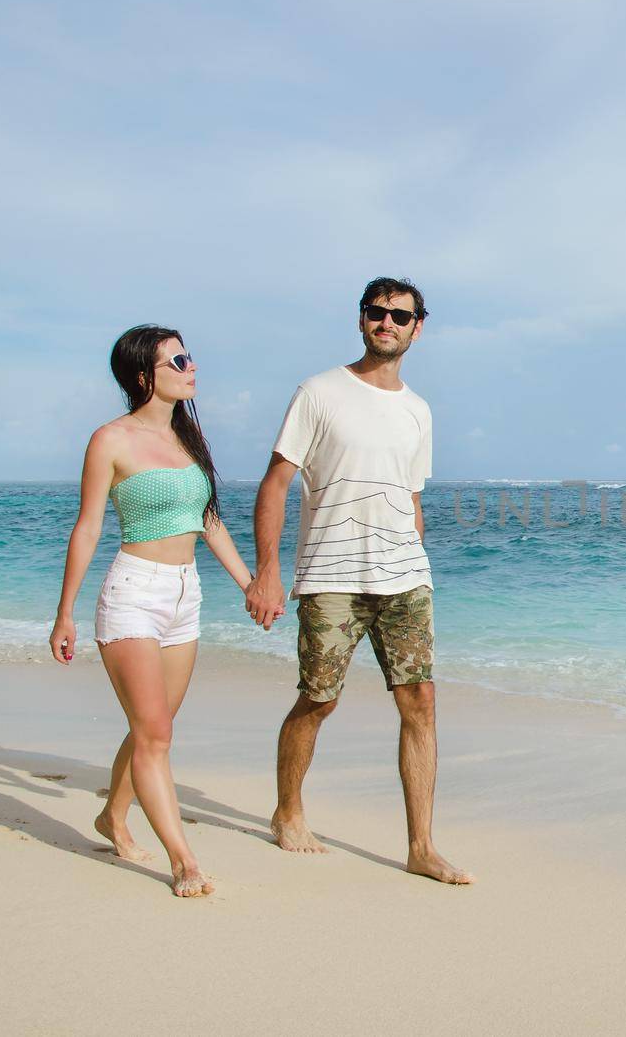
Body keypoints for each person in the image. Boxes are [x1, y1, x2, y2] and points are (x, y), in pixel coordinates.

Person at [245, 277, 472, 885]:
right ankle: (287, 812)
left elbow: (411, 495)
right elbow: (276, 483)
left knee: (420, 701)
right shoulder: (319, 393)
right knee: (319, 698)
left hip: (405, 578)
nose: (387, 323)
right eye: (377, 313)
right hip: (330, 574)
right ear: (361, 319)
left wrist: (418, 561)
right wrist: (267, 570)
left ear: (418, 326)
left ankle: (421, 846)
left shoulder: (418, 410)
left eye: (400, 315)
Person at [48, 326, 253, 898]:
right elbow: (87, 527)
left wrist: (248, 583)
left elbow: (207, 520)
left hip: (185, 596)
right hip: (133, 592)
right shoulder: (109, 440)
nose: (192, 367)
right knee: (155, 733)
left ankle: (113, 816)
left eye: (189, 356)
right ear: (144, 376)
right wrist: (64, 613)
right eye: (178, 360)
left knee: (152, 729)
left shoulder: (189, 439)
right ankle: (183, 860)